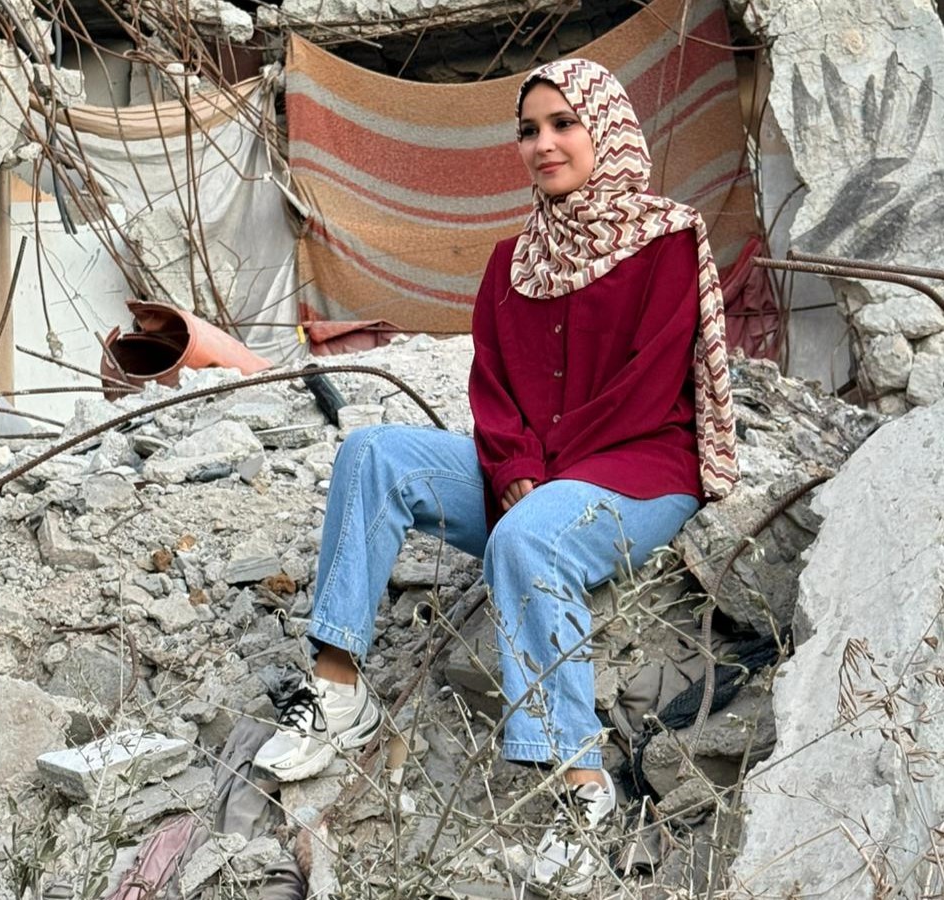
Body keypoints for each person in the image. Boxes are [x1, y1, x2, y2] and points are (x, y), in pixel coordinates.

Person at [253, 57, 738, 893]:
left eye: (562, 124)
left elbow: (647, 389)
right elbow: (495, 392)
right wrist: (514, 463)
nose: (543, 144)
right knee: (373, 454)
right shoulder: (512, 263)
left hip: (638, 471)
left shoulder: (666, 239)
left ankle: (582, 795)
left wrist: (536, 478)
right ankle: (338, 688)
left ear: (605, 130)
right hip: (536, 473)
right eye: (527, 129)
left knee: (527, 539)